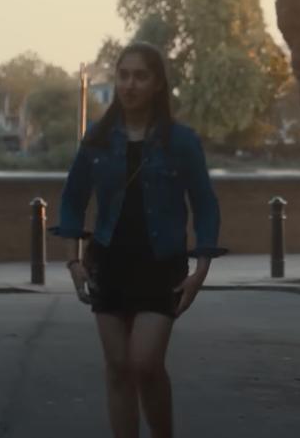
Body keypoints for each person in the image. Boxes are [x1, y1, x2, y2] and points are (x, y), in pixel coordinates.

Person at [55, 41, 225, 438]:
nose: (129, 84)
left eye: (140, 76)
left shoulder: (180, 141)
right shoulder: (98, 139)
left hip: (160, 265)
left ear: (158, 84)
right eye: (123, 75)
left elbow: (205, 204)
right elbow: (72, 198)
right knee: (117, 370)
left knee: (145, 365)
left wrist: (201, 268)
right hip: (108, 263)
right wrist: (74, 260)